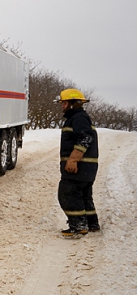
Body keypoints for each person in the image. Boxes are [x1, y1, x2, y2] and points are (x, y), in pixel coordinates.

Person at [55, 88, 100, 238]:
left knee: (67, 194)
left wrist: (73, 159)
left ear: (73, 103)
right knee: (84, 195)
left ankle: (78, 226)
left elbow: (85, 138)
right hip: (86, 169)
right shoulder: (80, 117)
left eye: (65, 103)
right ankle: (91, 223)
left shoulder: (78, 118)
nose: (62, 106)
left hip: (79, 167)